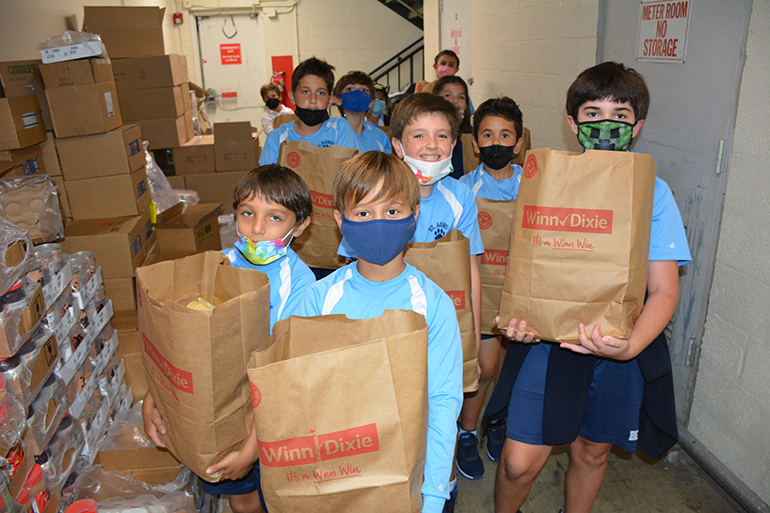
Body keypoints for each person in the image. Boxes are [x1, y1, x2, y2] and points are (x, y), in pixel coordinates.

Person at [493, 61, 692, 513]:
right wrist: (518, 322)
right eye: (592, 113)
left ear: (637, 126)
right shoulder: (544, 181)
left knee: (592, 449)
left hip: (618, 342)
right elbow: (525, 267)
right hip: (549, 344)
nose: (605, 124)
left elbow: (663, 289)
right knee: (518, 463)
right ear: (572, 122)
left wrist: (629, 347)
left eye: (619, 116)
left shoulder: (653, 192)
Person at [143, 164, 316, 513]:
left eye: (275, 218)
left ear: (301, 225)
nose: (255, 228)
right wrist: (153, 397)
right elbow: (181, 343)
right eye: (247, 213)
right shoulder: (217, 267)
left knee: (284, 496)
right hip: (222, 412)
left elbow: (284, 372)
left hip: (270, 415)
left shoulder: (300, 283)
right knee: (243, 499)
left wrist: (253, 449)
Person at [297, 151, 463, 513]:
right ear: (341, 220)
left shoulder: (432, 304)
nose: (378, 223)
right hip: (338, 473)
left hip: (411, 477)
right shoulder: (319, 299)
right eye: (363, 213)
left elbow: (443, 401)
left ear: (414, 216)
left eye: (391, 211)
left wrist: (433, 496)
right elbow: (300, 395)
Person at [455, 96, 524, 479]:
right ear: (475, 142)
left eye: (505, 135)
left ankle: (498, 423)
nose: (495, 143)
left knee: (512, 369)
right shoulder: (463, 189)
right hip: (482, 295)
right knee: (484, 367)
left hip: (522, 294)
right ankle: (467, 432)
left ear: (517, 143)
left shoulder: (533, 185)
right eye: (487, 135)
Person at [259, 57, 362, 165]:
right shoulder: (276, 139)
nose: (313, 100)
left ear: (330, 99)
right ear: (292, 96)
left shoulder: (340, 129)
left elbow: (356, 172)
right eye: (305, 91)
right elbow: (266, 180)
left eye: (321, 93)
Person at [331, 71, 392, 152]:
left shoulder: (380, 137)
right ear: (338, 99)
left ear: (371, 102)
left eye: (364, 90)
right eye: (350, 89)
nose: (357, 93)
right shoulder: (331, 134)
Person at [432, 75, 472, 179]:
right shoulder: (429, 137)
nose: (455, 101)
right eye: (448, 95)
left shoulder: (470, 137)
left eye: (461, 97)